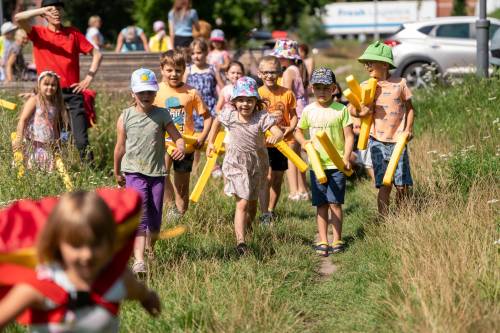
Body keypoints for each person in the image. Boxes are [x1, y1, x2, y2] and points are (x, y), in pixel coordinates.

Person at [0, 191, 161, 331]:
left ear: (110, 241)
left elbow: (139, 291)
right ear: (58, 244)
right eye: (76, 246)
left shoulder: (116, 281)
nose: (87, 254)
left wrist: (148, 299)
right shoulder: (40, 287)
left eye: (96, 244)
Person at [114, 68, 185, 274]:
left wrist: (180, 146)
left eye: (149, 92)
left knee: (154, 218)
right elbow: (120, 147)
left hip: (157, 173)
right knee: (140, 216)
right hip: (133, 172)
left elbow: (176, 136)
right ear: (132, 93)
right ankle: (138, 261)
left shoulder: (162, 114)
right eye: (141, 92)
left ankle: (150, 249)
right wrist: (117, 171)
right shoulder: (125, 116)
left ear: (155, 93)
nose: (145, 96)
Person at [15, 0, 103, 162]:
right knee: (54, 139)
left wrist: (88, 78)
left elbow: (97, 54)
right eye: (51, 9)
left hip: (72, 93)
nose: (56, 12)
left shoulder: (73, 34)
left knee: (81, 139)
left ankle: (92, 172)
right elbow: (19, 18)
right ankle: (57, 172)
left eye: (59, 9)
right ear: (44, 14)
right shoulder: (38, 33)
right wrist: (41, 10)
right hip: (49, 95)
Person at [206, 77, 283, 254]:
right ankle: (240, 243)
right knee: (242, 203)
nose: (245, 104)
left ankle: (247, 231)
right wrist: (211, 142)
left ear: (256, 101)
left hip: (257, 165)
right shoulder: (229, 115)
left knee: (253, 204)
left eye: (249, 100)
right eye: (241, 100)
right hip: (235, 164)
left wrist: (276, 136)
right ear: (234, 101)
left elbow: (278, 131)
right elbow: (216, 122)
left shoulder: (261, 117)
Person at [295, 67, 354, 256]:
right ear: (312, 88)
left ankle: (337, 239)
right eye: (318, 88)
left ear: (334, 88)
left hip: (336, 165)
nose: (322, 92)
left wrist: (345, 158)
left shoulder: (341, 110)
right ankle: (323, 240)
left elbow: (349, 136)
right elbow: (298, 130)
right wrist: (303, 142)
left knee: (335, 203)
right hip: (316, 165)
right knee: (321, 205)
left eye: (326, 88)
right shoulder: (308, 110)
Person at [351, 41, 414, 217]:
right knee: (384, 184)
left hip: (398, 142)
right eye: (365, 63)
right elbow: (351, 109)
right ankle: (384, 220)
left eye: (371, 62)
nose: (367, 66)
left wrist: (408, 129)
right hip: (377, 141)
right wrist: (359, 110)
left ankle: (403, 218)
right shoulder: (365, 87)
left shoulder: (399, 84)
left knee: (402, 185)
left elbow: (410, 109)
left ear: (385, 64)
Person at [154, 50, 212, 216]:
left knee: (182, 185)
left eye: (178, 70)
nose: (174, 74)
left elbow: (208, 117)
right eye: (169, 70)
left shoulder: (191, 93)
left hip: (185, 146)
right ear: (162, 69)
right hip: (163, 143)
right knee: (161, 174)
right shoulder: (156, 90)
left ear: (184, 70)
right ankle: (171, 207)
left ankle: (181, 215)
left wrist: (202, 137)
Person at [257, 55, 297, 224]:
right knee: (265, 178)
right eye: (265, 72)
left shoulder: (287, 93)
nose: (269, 76)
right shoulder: (257, 93)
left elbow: (294, 115)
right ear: (259, 74)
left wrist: (291, 128)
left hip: (282, 143)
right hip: (262, 143)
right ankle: (264, 213)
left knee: (277, 178)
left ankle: (271, 210)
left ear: (280, 73)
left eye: (273, 72)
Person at [270, 39, 310, 201]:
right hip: (301, 114)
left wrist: (282, 120)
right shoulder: (297, 69)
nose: (278, 60)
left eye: (280, 57)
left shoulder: (287, 72)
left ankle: (295, 191)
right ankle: (304, 189)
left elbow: (284, 96)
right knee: (298, 154)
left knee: (290, 155)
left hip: (293, 115)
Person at [12, 71, 68, 171]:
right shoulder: (34, 100)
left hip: (46, 144)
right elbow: (23, 120)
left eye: (53, 85)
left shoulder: (55, 104)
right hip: (32, 142)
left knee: (44, 172)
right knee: (28, 169)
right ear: (39, 85)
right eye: (46, 84)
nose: (50, 87)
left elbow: (54, 126)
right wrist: (19, 138)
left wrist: (57, 143)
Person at [185, 38, 223, 170]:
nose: (196, 56)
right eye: (193, 53)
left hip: (210, 108)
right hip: (193, 109)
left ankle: (213, 166)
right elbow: (183, 88)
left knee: (209, 137)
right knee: (195, 138)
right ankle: (194, 167)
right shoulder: (188, 69)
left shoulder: (212, 69)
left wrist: (222, 103)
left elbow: (222, 87)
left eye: (199, 52)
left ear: (206, 53)